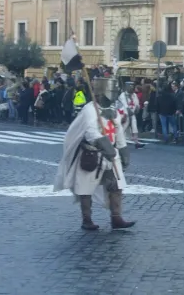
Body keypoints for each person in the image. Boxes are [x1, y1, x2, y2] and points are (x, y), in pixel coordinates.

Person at [53, 78, 134, 231]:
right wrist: (105, 146)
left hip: (111, 155)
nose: (114, 94)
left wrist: (123, 150)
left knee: (116, 186)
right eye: (111, 91)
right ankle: (87, 219)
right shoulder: (90, 110)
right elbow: (91, 132)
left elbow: (118, 131)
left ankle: (116, 218)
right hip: (92, 154)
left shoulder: (113, 110)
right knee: (85, 188)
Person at [117, 82, 143, 149]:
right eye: (130, 86)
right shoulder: (122, 95)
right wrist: (129, 111)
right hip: (125, 114)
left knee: (135, 128)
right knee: (123, 129)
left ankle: (136, 143)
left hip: (132, 114)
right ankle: (118, 142)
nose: (132, 88)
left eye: (133, 86)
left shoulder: (134, 95)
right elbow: (124, 105)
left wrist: (137, 108)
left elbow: (137, 103)